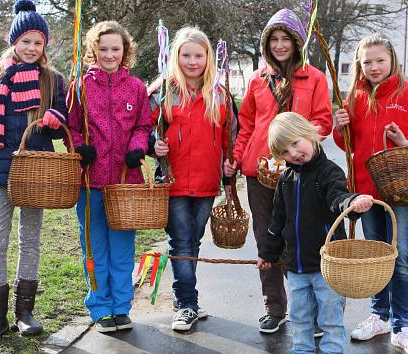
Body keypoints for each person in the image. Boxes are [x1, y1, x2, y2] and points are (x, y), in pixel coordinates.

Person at [333, 33, 408, 354]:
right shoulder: (354, 97)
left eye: (379, 60)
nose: (373, 67)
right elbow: (347, 145)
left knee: (401, 258)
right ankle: (379, 316)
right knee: (376, 256)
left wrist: (406, 140)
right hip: (366, 192)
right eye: (366, 61)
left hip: (401, 191)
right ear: (359, 64)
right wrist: (338, 127)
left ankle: (403, 327)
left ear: (392, 60)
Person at [0, 0, 68, 346]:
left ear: (45, 45)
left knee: (30, 239)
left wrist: (56, 121)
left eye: (38, 42)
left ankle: (25, 313)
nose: (31, 48)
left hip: (35, 168)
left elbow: (61, 123)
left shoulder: (52, 79)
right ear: (14, 40)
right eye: (26, 41)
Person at [223, 8, 333, 334]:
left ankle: (308, 312)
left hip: (300, 173)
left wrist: (300, 145)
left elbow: (323, 121)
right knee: (267, 241)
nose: (280, 45)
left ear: (297, 42)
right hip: (260, 174)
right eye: (274, 39)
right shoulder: (258, 80)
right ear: (266, 43)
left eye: (286, 39)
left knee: (301, 239)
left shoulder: (313, 78)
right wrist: (236, 158)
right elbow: (246, 126)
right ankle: (274, 307)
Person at [257, 112, 374, 354]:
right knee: (299, 318)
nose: (294, 154)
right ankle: (302, 350)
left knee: (330, 319)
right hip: (296, 268)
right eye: (285, 152)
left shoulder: (328, 172)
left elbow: (338, 198)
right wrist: (268, 253)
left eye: (295, 143)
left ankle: (333, 350)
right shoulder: (285, 179)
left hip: (326, 267)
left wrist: (352, 203)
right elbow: (277, 221)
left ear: (309, 134)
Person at [66, 21, 152, 333]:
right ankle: (100, 306)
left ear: (125, 51)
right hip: (91, 183)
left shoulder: (137, 88)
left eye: (115, 49)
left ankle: (121, 306)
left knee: (121, 250)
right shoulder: (80, 87)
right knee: (94, 248)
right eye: (103, 49)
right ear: (93, 51)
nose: (109, 54)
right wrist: (79, 147)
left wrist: (137, 148)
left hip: (125, 185)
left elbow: (144, 125)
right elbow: (72, 127)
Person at [149, 26, 232, 332]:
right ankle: (187, 304)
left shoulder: (219, 94)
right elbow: (146, 128)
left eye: (199, 55)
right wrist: (151, 145)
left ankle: (186, 298)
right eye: (186, 55)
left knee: (193, 240)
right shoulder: (164, 91)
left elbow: (228, 136)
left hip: (207, 181)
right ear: (176, 57)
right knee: (181, 241)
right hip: (174, 180)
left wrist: (228, 165)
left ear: (208, 57)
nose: (193, 61)